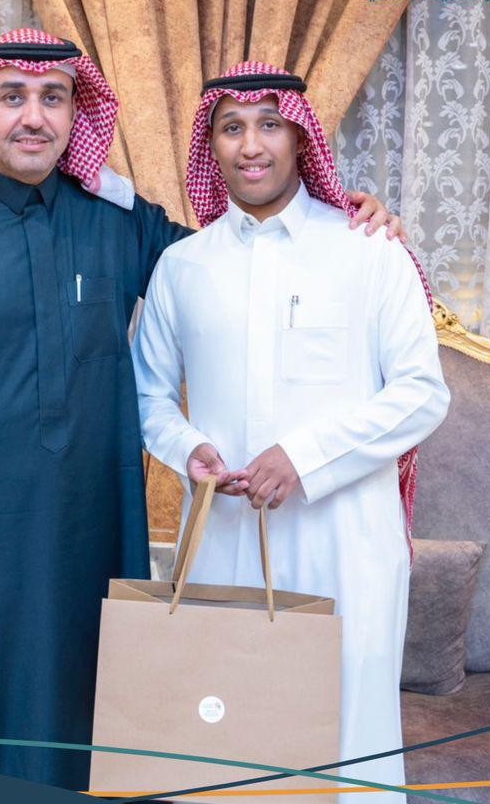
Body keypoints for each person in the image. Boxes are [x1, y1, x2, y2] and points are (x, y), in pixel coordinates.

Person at [0, 31, 404, 789]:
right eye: (12, 98)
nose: (33, 117)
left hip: (91, 539)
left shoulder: (117, 221)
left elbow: (234, 258)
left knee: (96, 729)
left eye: (53, 98)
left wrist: (343, 219)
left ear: (76, 115)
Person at [132, 61, 450, 800]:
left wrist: (303, 458)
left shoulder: (370, 250)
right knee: (226, 741)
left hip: (348, 543)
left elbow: (421, 395)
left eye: (270, 125)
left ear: (301, 139)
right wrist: (189, 449)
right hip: (224, 540)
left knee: (349, 746)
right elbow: (147, 396)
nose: (251, 145)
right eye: (232, 128)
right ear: (210, 145)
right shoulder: (181, 266)